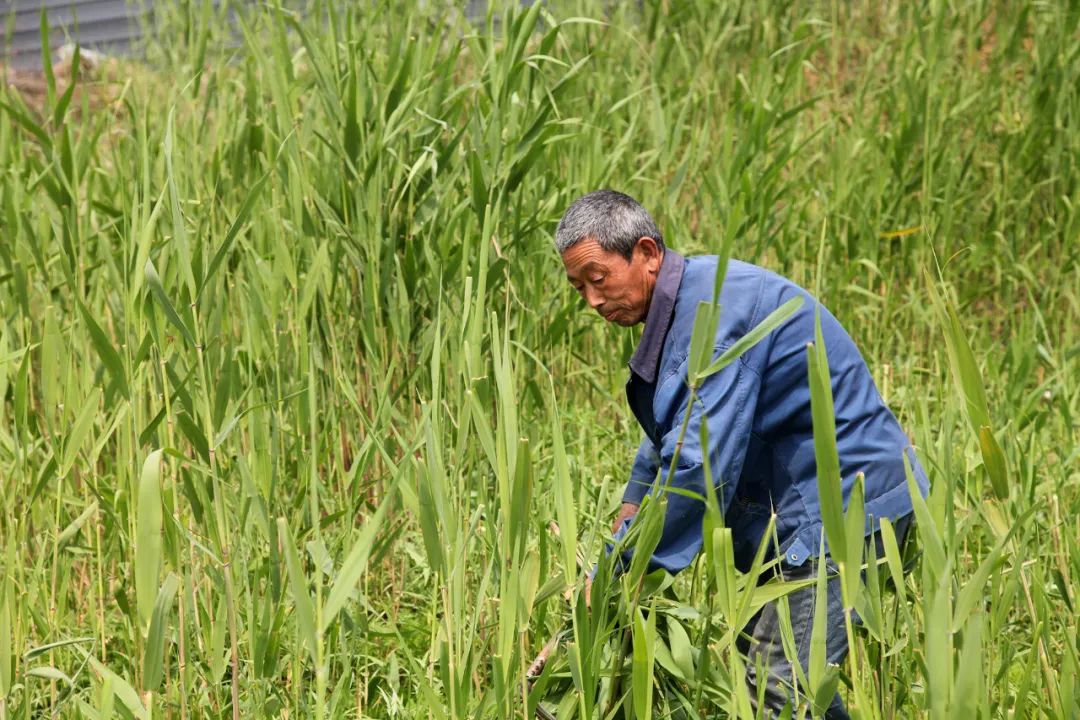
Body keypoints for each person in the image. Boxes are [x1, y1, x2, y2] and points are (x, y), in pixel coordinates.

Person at [555, 189, 930, 718]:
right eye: (578, 288)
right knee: (788, 683)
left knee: (782, 687)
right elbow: (675, 423)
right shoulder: (690, 300)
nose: (592, 301)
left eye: (598, 279)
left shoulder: (714, 314)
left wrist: (619, 571)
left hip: (841, 506)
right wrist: (634, 507)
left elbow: (698, 466)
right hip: (801, 509)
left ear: (647, 252)